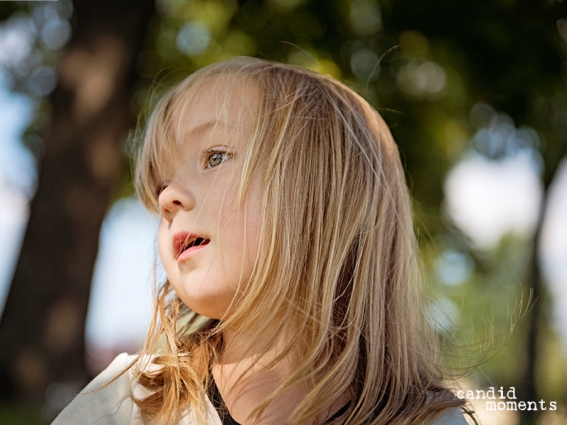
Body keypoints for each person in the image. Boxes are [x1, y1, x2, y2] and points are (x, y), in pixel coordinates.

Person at [53, 57, 473, 425]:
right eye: (161, 183)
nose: (166, 198)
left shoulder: (430, 420)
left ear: (323, 194)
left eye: (215, 157)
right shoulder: (128, 402)